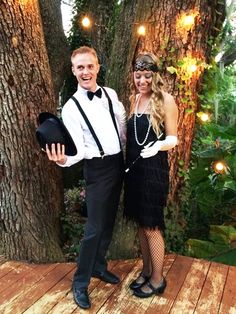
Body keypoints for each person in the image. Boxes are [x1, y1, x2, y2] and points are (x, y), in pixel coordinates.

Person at [45, 46, 126, 309]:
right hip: (97, 169)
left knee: (109, 222)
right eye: (80, 67)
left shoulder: (111, 95)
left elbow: (121, 127)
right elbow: (77, 150)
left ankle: (99, 267)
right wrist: (63, 160)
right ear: (73, 70)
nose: (85, 71)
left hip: (118, 164)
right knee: (93, 228)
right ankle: (80, 282)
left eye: (90, 66)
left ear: (97, 67)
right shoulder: (71, 107)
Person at [124, 52, 178, 298]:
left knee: (152, 226)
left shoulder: (165, 100)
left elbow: (173, 138)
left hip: (154, 171)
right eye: (138, 76)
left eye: (147, 75)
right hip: (134, 170)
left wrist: (158, 146)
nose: (142, 81)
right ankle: (146, 270)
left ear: (155, 75)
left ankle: (158, 279)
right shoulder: (134, 100)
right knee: (140, 224)